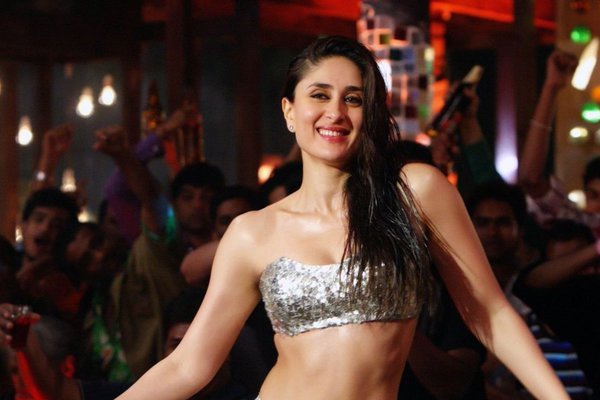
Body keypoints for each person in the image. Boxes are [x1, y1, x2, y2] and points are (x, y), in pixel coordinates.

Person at [116, 35, 568, 400]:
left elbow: (489, 311)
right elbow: (189, 365)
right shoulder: (253, 232)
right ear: (289, 111)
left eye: (353, 98)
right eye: (319, 95)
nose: (335, 112)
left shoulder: (416, 193)